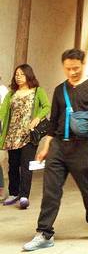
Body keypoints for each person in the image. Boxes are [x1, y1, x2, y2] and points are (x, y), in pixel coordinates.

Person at [23, 49, 88, 251]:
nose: (72, 72)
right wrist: (46, 147)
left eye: (76, 68)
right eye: (68, 69)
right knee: (50, 191)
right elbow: (53, 123)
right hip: (59, 146)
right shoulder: (59, 90)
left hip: (83, 146)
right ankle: (44, 233)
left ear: (83, 64)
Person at [0, 65, 50, 209]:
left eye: (22, 74)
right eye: (17, 74)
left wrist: (37, 118)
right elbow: (3, 111)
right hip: (12, 135)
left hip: (29, 134)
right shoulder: (11, 94)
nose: (19, 77)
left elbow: (46, 106)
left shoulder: (37, 91)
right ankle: (13, 193)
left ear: (29, 75)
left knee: (26, 165)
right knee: (13, 165)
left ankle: (24, 196)